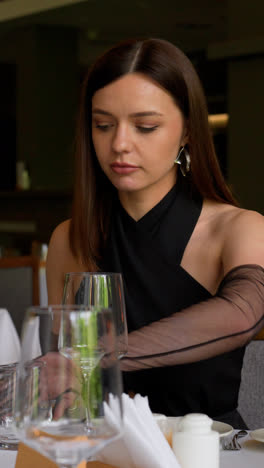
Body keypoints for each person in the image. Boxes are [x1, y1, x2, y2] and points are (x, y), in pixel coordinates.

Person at [46, 38, 264, 428]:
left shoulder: (239, 228)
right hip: (106, 448)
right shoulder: (71, 239)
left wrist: (99, 355)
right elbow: (74, 390)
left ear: (187, 133)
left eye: (145, 126)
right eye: (103, 125)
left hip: (206, 450)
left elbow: (243, 312)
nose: (120, 144)